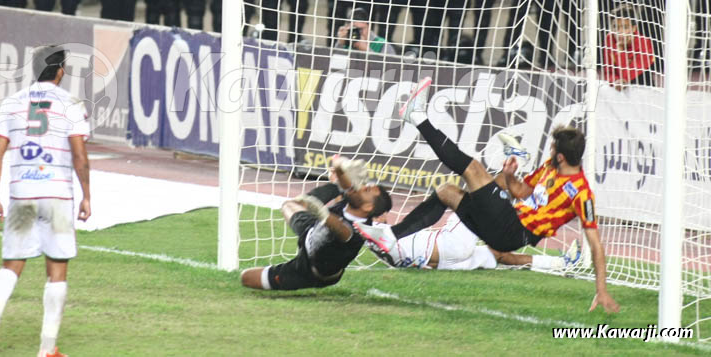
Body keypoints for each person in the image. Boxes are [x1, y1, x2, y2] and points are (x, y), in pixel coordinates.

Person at [354, 78, 620, 313]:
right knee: (447, 192)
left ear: (561, 156)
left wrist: (602, 290)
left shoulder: (582, 194)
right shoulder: (550, 168)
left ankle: (417, 118)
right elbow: (521, 192)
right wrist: (509, 175)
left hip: (514, 232)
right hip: (505, 221)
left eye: (552, 149)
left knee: (473, 169)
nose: (549, 153)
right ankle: (393, 236)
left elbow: (595, 245)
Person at [0, 45, 91, 357]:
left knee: (11, 265)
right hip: (57, 195)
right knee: (57, 268)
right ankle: (47, 349)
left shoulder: (12, 104)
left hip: (21, 194)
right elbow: (80, 156)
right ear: (61, 71)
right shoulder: (72, 104)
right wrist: (87, 196)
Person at [240, 157, 392, 291]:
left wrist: (323, 213)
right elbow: (346, 183)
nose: (362, 188)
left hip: (311, 271)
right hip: (311, 230)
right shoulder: (353, 199)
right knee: (290, 204)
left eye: (367, 190)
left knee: (246, 278)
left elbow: (341, 229)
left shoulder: (358, 232)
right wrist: (340, 166)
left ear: (367, 207)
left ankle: (315, 199)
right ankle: (325, 192)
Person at [376, 212, 581, 272]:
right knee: (473, 201)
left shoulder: (382, 239)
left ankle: (561, 264)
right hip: (447, 245)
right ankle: (516, 159)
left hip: (447, 264)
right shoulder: (374, 231)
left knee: (500, 255)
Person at [602, 4, 655, 89]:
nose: (619, 32)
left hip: (642, 87)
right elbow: (608, 71)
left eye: (625, 27)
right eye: (615, 27)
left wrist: (621, 50)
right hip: (618, 86)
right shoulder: (609, 39)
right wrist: (615, 81)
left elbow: (627, 76)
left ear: (634, 28)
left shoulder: (644, 43)